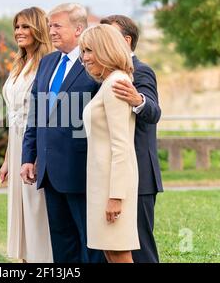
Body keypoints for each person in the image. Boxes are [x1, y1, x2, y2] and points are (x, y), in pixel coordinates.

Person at [20, 3, 105, 263]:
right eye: (49, 26)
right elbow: (35, 114)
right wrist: (28, 156)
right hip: (48, 170)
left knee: (90, 242)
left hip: (81, 168)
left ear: (78, 29)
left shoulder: (95, 62)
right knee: (62, 241)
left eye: (57, 26)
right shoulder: (48, 63)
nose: (51, 32)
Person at [100, 15, 163, 263]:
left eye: (109, 36)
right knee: (113, 248)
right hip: (113, 175)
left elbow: (154, 112)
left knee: (140, 248)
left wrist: (138, 101)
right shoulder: (105, 76)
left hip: (139, 176)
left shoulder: (141, 71)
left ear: (126, 41)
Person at [80, 24, 140, 263]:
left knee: (118, 251)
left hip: (112, 186)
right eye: (83, 51)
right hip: (100, 183)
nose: (84, 58)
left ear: (106, 49)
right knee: (109, 250)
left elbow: (121, 145)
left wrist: (116, 196)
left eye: (89, 51)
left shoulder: (116, 83)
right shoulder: (108, 82)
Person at [0, 7, 53, 263]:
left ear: (38, 29)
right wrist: (8, 159)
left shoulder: (47, 63)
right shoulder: (19, 63)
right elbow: (13, 118)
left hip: (36, 144)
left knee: (36, 210)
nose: (19, 32)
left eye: (25, 27)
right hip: (16, 142)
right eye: (17, 27)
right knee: (19, 210)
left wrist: (38, 154)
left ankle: (43, 260)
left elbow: (45, 114)